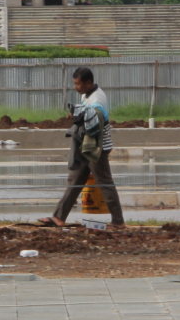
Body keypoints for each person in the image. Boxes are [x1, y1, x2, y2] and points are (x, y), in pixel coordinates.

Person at [39, 66, 124, 228]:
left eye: (78, 84)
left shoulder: (97, 98)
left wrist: (80, 113)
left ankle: (118, 221)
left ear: (88, 83)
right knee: (74, 181)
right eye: (74, 84)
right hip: (87, 145)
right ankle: (58, 217)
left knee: (104, 182)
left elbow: (96, 116)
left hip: (96, 147)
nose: (76, 87)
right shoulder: (88, 94)